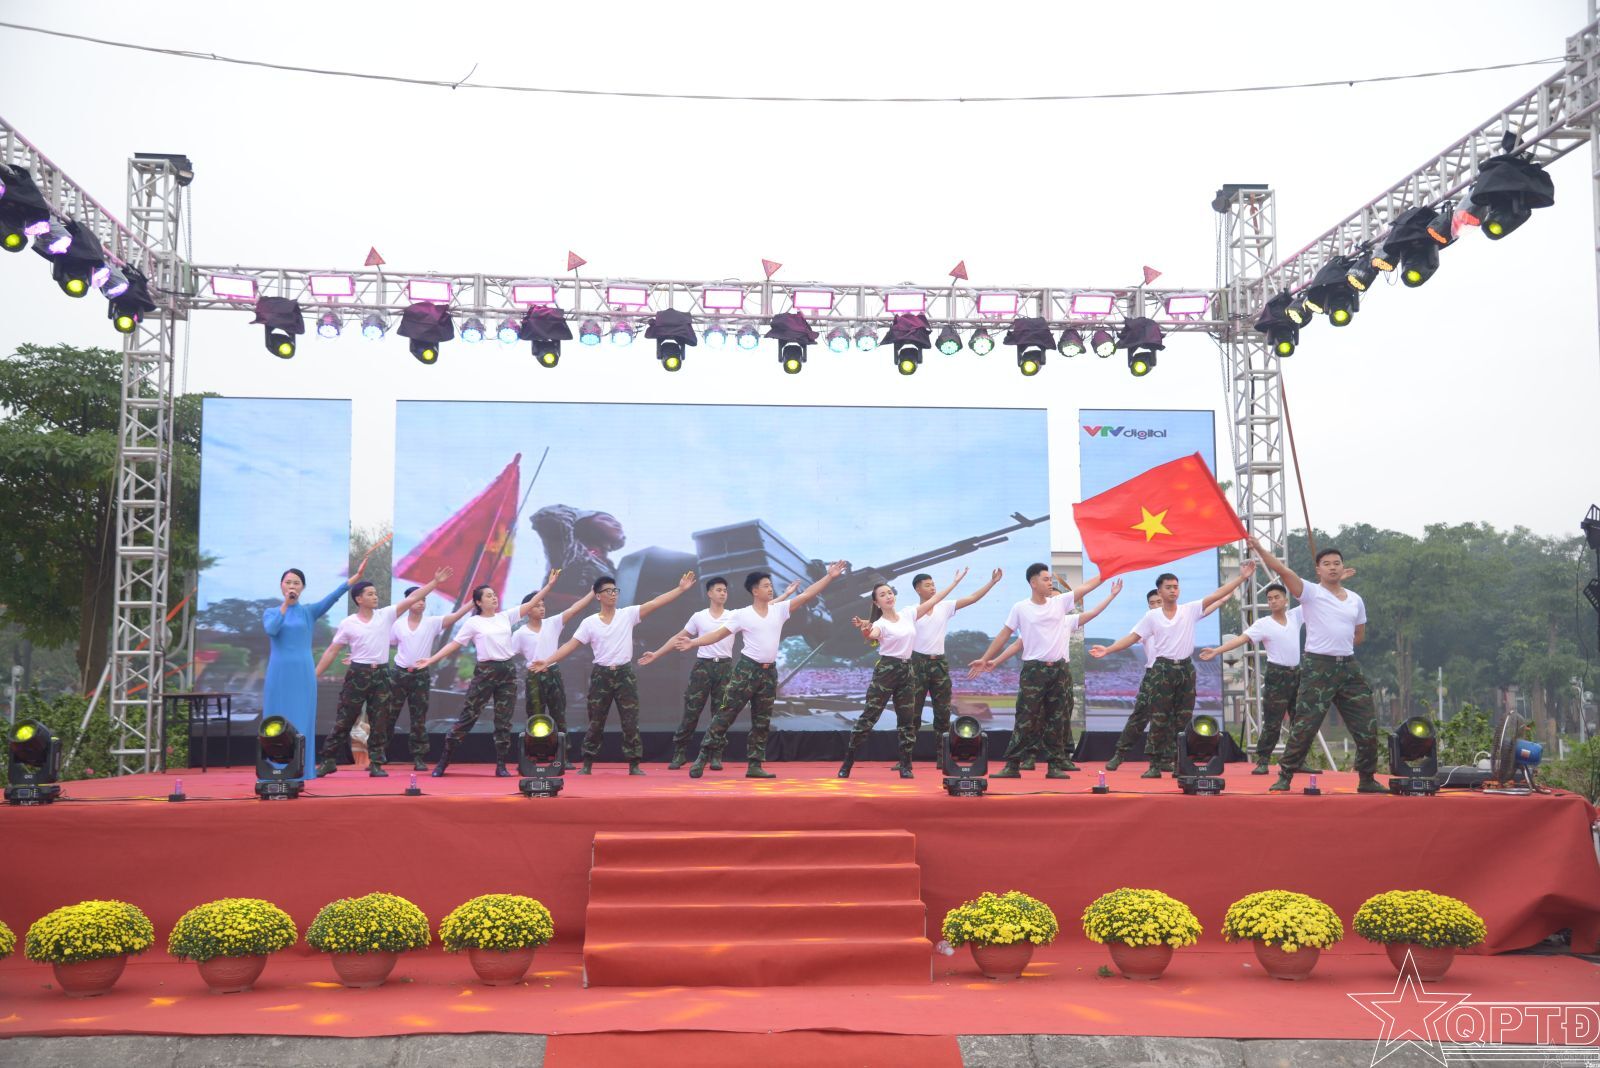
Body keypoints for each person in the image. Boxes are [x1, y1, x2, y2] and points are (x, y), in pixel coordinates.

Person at [680, 562, 849, 779]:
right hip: (746, 670)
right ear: (755, 590)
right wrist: (693, 642)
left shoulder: (779, 610)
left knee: (762, 720)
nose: (770, 589)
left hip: (769, 673)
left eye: (770, 585)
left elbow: (807, 595)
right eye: (766, 586)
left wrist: (830, 577)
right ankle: (703, 756)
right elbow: (718, 634)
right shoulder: (742, 614)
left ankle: (755, 764)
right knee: (725, 714)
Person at [1088, 562, 1256, 778]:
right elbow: (1133, 637)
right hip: (1162, 670)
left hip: (1185, 669)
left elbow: (1216, 595)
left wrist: (1242, 578)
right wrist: (1108, 649)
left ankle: (1178, 762)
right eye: (1168, 587)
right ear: (1160, 591)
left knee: (1182, 719)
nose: (1173, 591)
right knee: (1159, 718)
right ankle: (1154, 764)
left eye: (1176, 587)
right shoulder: (1152, 617)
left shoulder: (1189, 610)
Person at [1248, 537, 1383, 793]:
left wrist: (1339, 647)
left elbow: (1359, 635)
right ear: (1318, 570)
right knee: (1305, 724)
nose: (1332, 567)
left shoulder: (1355, 599)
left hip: (1348, 666)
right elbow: (1282, 570)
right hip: (1318, 666)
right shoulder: (1310, 592)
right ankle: (1285, 775)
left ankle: (1367, 778)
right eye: (1326, 564)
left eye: (1337, 563)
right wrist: (1260, 549)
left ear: (1343, 567)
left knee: (1367, 724)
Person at [531, 571, 698, 775]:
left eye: (615, 590)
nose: (613, 594)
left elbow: (655, 603)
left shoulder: (627, 615)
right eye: (608, 591)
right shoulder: (590, 622)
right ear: (598, 596)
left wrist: (680, 589)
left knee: (630, 720)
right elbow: (570, 645)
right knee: (595, 721)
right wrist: (548, 661)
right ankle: (587, 762)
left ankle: (634, 763)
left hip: (624, 674)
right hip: (601, 675)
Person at [966, 564, 1117, 778]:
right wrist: (985, 658)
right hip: (1034, 671)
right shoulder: (1021, 608)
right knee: (1025, 718)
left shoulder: (1059, 603)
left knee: (1058, 719)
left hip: (1059, 670)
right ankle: (1013, 765)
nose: (1050, 583)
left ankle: (1054, 765)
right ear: (1033, 583)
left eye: (1050, 580)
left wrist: (1107, 572)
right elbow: (1004, 635)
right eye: (1046, 579)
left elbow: (1086, 587)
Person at [640, 575, 795, 770]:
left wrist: (786, 595)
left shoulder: (734, 615)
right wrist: (656, 653)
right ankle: (680, 752)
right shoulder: (698, 616)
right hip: (703, 668)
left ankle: (716, 755)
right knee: (692, 712)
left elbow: (765, 606)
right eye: (719, 590)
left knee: (720, 712)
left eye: (725, 590)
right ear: (709, 593)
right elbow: (679, 637)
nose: (723, 593)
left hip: (725, 669)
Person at [415, 569, 560, 777]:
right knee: (468, 716)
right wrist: (431, 659)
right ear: (479, 602)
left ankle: (501, 764)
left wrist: (549, 586)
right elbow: (454, 644)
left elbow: (531, 603)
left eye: (494, 595)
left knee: (503, 720)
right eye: (489, 596)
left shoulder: (505, 617)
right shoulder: (474, 622)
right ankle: (443, 761)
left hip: (507, 671)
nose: (494, 598)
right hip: (486, 671)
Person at [313, 569, 453, 777]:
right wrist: (314, 675)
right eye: (370, 594)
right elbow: (332, 650)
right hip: (358, 674)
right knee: (345, 718)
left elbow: (413, 598)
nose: (375, 596)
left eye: (375, 593)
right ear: (359, 599)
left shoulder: (386, 615)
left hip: (381, 674)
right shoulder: (348, 623)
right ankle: (328, 760)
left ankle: (376, 763)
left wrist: (434, 582)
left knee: (379, 720)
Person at [837, 571, 964, 779]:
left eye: (889, 593)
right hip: (886, 671)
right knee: (869, 717)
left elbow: (935, 599)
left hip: (907, 670)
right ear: (877, 603)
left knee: (907, 721)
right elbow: (872, 634)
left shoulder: (908, 614)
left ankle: (906, 766)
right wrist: (865, 629)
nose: (888, 596)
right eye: (882, 595)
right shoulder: (880, 624)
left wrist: (954, 582)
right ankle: (847, 762)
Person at [260, 560, 365, 780]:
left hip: (303, 673)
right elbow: (272, 629)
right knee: (275, 719)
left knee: (301, 718)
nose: (292, 586)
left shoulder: (308, 612)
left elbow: (332, 598)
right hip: (279, 673)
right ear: (281, 586)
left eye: (296, 583)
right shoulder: (271, 612)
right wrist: (285, 605)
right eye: (288, 582)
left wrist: (353, 580)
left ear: (303, 587)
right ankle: (274, 768)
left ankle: (300, 770)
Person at [1199, 582, 1302, 774]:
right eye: (1269, 599)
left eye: (1277, 597)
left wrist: (1335, 582)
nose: (1273, 601)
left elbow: (1316, 599)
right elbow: (1241, 639)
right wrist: (1217, 651)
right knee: (1273, 721)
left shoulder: (1296, 616)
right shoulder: (1263, 624)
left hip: (1297, 673)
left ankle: (1296, 761)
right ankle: (1263, 760)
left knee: (1300, 720)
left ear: (1286, 600)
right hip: (1277, 675)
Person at [909, 567, 1004, 761]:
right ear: (918, 589)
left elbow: (972, 598)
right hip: (917, 663)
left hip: (939, 663)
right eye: (927, 585)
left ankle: (943, 757)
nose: (932, 588)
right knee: (913, 713)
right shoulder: (911, 611)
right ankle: (906, 757)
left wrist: (992, 582)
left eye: (933, 584)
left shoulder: (944, 607)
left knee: (942, 713)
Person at [387, 585, 476, 771]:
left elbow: (456, 616)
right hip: (399, 674)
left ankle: (419, 757)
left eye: (424, 600)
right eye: (417, 599)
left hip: (420, 675)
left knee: (419, 717)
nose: (421, 603)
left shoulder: (432, 622)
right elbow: (385, 643)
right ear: (408, 601)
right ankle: (379, 755)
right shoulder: (397, 624)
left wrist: (472, 601)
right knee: (389, 714)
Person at [511, 585, 596, 771]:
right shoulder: (520, 633)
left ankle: (563, 757)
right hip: (534, 677)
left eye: (543, 605)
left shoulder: (553, 623)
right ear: (527, 609)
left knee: (559, 716)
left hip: (553, 673)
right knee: (535, 718)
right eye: (536, 605)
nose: (541, 608)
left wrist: (592, 593)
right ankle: (531, 757)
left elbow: (574, 609)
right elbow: (508, 654)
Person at [1102, 589, 1163, 771]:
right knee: (1139, 716)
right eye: (1152, 603)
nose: (1156, 606)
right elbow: (1130, 638)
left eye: (1159, 602)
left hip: (1175, 673)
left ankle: (1164, 760)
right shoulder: (1148, 621)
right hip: (1153, 673)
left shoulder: (1177, 619)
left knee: (1169, 720)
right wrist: (1108, 649)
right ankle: (1119, 754)